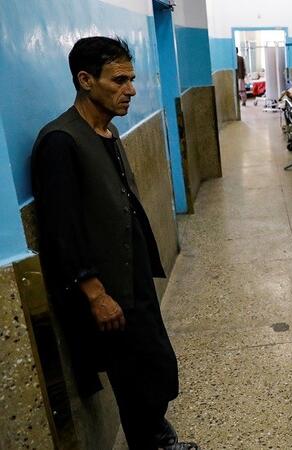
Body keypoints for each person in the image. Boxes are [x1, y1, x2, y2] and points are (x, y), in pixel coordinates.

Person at [31, 37, 198, 450]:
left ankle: (158, 435)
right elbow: (61, 230)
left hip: (131, 275)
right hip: (105, 289)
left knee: (154, 363)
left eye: (131, 79)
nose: (131, 90)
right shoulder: (60, 142)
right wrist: (95, 294)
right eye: (119, 80)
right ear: (85, 80)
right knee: (133, 374)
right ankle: (154, 442)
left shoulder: (107, 131)